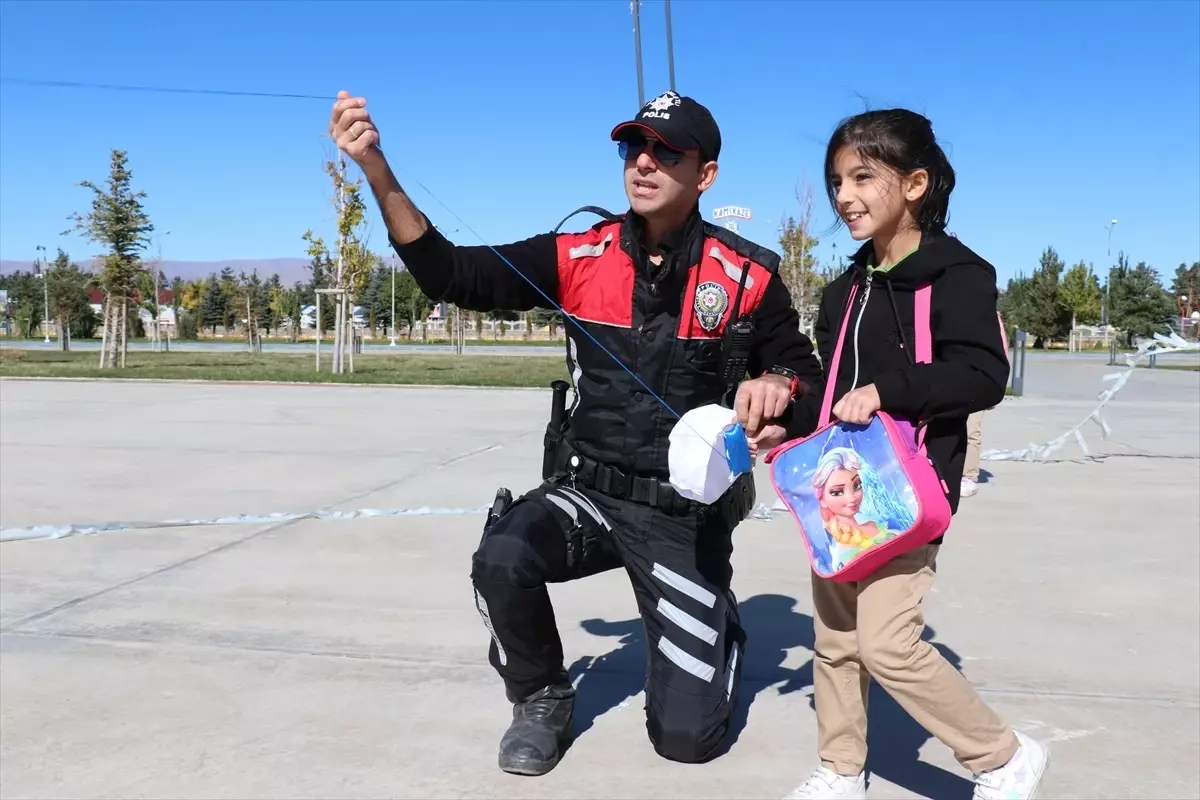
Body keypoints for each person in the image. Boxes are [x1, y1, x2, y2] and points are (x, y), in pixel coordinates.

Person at [329, 88, 826, 775]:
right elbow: (450, 274)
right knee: (504, 554)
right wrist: (376, 169)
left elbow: (809, 384)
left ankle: (721, 631)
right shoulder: (577, 254)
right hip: (588, 495)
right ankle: (539, 698)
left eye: (666, 152)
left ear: (704, 174)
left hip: (684, 516)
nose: (644, 163)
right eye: (634, 147)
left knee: (686, 740)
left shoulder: (747, 276)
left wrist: (780, 389)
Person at [781, 109, 1049, 800]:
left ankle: (1002, 756)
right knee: (837, 639)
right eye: (837, 179)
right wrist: (784, 423)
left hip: (910, 488)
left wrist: (889, 390)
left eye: (863, 176)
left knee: (888, 645)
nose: (843, 194)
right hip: (841, 491)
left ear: (916, 183)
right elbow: (831, 391)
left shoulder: (958, 275)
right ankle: (842, 770)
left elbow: (984, 374)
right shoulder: (845, 290)